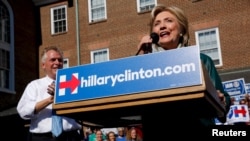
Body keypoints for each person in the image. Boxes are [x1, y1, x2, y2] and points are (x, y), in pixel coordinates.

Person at [137, 4, 231, 138]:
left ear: (181, 29)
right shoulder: (144, 65)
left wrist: (219, 100)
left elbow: (224, 102)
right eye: (157, 24)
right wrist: (142, 59)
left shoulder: (202, 61)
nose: (162, 26)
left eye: (168, 21)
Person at [17, 46, 82, 141]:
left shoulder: (75, 83)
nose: (57, 63)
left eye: (60, 60)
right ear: (43, 65)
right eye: (53, 60)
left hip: (71, 136)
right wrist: (50, 100)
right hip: (42, 137)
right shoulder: (35, 85)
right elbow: (23, 112)